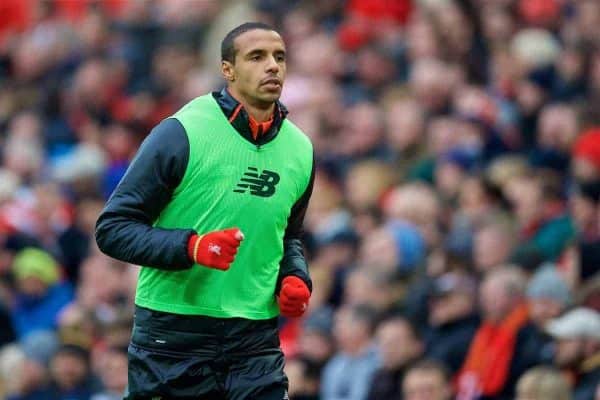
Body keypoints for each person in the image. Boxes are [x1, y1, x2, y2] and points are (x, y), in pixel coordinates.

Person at [95, 21, 315, 399]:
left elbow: (288, 235)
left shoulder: (301, 149)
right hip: (174, 335)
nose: (273, 66)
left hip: (255, 338)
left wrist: (294, 278)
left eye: (279, 57)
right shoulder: (182, 131)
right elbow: (112, 228)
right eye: (257, 57)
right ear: (227, 69)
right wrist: (192, 247)